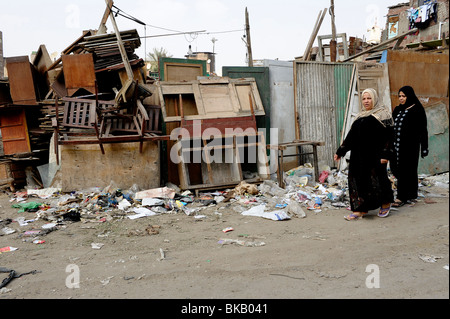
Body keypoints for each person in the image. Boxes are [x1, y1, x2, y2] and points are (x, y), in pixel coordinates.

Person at [334, 88, 394, 220]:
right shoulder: (359, 117)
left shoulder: (383, 115)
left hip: (375, 156)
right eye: (364, 99)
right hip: (358, 156)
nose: (366, 101)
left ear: (374, 99)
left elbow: (389, 137)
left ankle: (385, 202)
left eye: (369, 98)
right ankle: (360, 209)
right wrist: (341, 151)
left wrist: (386, 155)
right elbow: (351, 137)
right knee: (357, 180)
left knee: (378, 179)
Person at [390, 86, 428, 207]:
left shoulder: (417, 110)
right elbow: (391, 126)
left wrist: (424, 147)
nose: (401, 98)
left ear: (409, 96)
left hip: (410, 147)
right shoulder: (397, 109)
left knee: (406, 170)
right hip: (396, 146)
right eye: (399, 96)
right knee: (397, 169)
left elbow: (423, 130)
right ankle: (411, 194)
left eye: (403, 96)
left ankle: (401, 197)